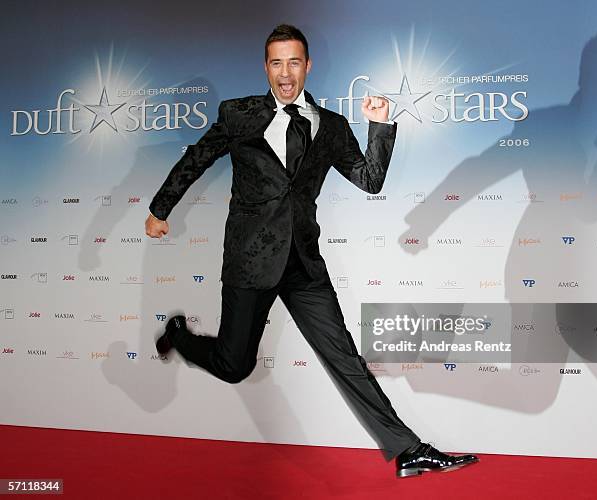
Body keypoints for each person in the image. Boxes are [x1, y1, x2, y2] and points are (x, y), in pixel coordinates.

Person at [145, 23, 478, 478]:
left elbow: (370, 179)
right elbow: (195, 159)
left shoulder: (332, 126)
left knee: (345, 356)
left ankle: (408, 449)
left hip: (303, 262)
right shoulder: (239, 113)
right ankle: (180, 335)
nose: (286, 73)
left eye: (294, 62)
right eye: (277, 62)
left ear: (308, 66)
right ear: (266, 67)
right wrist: (159, 209)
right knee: (233, 365)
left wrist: (379, 125)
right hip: (251, 260)